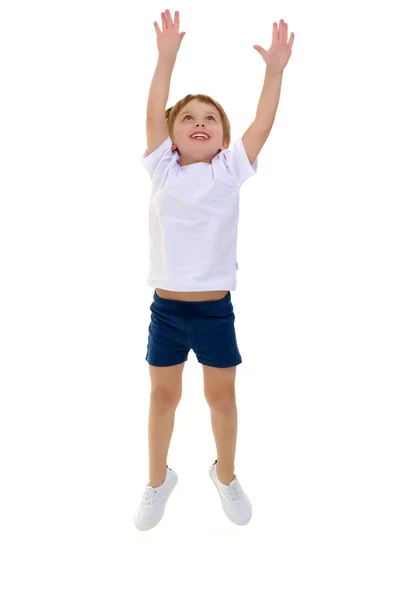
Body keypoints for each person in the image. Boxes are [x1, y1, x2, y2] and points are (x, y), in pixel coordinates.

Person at [134, 9, 294, 530]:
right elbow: (155, 107)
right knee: (163, 397)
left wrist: (274, 72)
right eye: (188, 118)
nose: (199, 122)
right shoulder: (162, 166)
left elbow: (262, 124)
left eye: (210, 119)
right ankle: (158, 480)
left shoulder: (229, 169)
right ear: (170, 136)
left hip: (214, 312)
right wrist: (166, 58)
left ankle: (225, 475)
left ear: (223, 137)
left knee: (221, 398)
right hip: (167, 311)